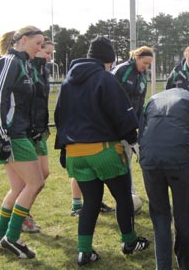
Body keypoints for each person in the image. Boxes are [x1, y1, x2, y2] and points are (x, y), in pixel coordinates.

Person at [54, 36, 150, 266]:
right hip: (104, 150)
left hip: (75, 153)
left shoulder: (67, 81)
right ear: (108, 60)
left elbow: (59, 115)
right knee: (123, 198)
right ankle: (129, 242)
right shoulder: (104, 78)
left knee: (90, 203)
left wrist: (63, 149)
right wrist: (132, 138)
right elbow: (120, 111)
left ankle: (84, 252)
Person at [0, 26, 46, 258]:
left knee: (19, 187)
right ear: (23, 40)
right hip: (11, 135)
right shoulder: (10, 61)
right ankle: (12, 238)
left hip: (19, 133)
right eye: (37, 43)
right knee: (35, 183)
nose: (40, 48)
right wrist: (1, 136)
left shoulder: (24, 65)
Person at [138, 88, 189, 270]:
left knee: (160, 215)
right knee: (184, 212)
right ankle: (186, 263)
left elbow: (142, 134)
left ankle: (162, 266)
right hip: (179, 162)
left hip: (150, 161)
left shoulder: (151, 100)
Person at [19, 37, 54, 233]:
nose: (49, 57)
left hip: (40, 130)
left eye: (50, 53)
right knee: (30, 181)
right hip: (27, 131)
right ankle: (22, 215)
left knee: (44, 173)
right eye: (46, 52)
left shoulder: (44, 70)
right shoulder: (26, 69)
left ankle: (23, 211)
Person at [111, 45, 154, 196]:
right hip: (114, 125)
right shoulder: (122, 70)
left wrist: (140, 125)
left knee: (126, 158)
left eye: (149, 64)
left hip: (130, 126)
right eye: (145, 63)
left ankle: (129, 192)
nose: (146, 67)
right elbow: (109, 95)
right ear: (137, 57)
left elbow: (140, 104)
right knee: (115, 161)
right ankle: (125, 193)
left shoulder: (142, 77)